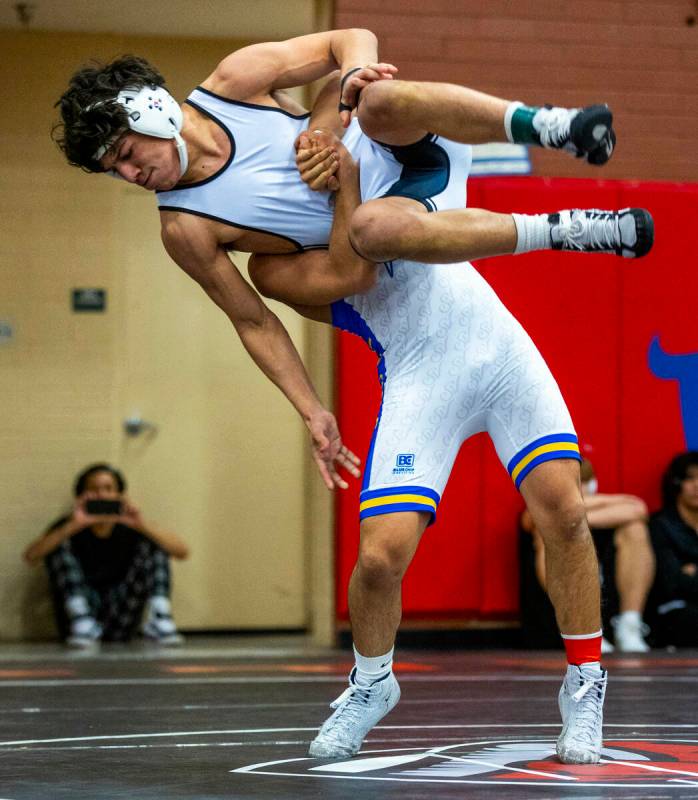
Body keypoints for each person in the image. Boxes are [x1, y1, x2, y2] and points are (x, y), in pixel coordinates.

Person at [51, 28, 652, 763]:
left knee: (381, 96)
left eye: (123, 153)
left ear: (147, 111)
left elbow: (351, 38)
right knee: (377, 560)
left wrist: (331, 118)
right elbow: (298, 300)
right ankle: (372, 683)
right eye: (112, 170)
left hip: (425, 198)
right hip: (416, 340)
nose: (128, 174)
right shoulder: (199, 233)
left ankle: (549, 130)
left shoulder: (234, 81)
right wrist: (312, 408)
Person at [24, 463, 189, 648]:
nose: (102, 494)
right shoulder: (69, 526)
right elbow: (31, 556)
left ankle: (160, 618)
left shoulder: (133, 527)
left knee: (156, 545)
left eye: (108, 489)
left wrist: (141, 525)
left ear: (120, 495)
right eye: (94, 489)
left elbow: (182, 552)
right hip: (80, 621)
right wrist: (73, 525)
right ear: (81, 496)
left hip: (122, 614)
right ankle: (82, 619)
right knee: (57, 544)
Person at [520, 458, 654, 652]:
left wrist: (574, 511)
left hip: (611, 591)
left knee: (636, 529)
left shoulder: (597, 508)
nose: (580, 487)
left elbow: (638, 508)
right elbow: (531, 520)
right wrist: (573, 512)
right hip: (552, 611)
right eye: (574, 482)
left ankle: (630, 624)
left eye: (584, 481)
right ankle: (581, 629)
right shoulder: (540, 508)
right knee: (545, 533)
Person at [649, 452, 698, 647]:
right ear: (676, 483)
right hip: (673, 613)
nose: (696, 485)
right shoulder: (661, 525)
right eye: (689, 478)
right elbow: (672, 582)